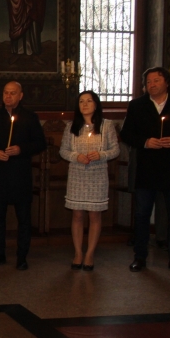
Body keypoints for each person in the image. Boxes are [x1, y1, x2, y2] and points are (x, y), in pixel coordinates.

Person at [120, 67, 170, 275]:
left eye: (156, 80)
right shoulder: (137, 105)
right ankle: (140, 256)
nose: (151, 85)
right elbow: (127, 134)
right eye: (148, 82)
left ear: (167, 82)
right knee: (142, 214)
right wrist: (145, 142)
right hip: (147, 169)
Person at [0, 81, 46, 270]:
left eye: (12, 93)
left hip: (20, 175)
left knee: (24, 219)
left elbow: (40, 143)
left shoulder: (30, 117)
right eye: (5, 92)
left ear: (20, 96)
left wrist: (21, 149)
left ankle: (22, 256)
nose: (8, 96)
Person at [59, 91, 120, 271]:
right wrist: (76, 156)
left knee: (94, 215)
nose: (85, 104)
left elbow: (115, 150)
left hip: (97, 176)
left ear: (96, 104)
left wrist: (101, 155)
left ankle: (90, 254)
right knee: (77, 215)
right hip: (77, 175)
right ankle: (78, 252)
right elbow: (63, 150)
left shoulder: (107, 126)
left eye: (89, 101)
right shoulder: (71, 126)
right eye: (81, 101)